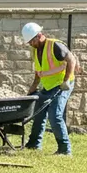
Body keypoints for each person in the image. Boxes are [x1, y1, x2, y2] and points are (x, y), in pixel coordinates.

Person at [21, 22, 77, 156]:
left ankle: (65, 150)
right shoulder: (35, 50)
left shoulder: (55, 45)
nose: (30, 44)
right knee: (38, 113)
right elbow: (39, 72)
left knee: (55, 115)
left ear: (39, 36)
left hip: (62, 85)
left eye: (31, 41)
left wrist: (65, 81)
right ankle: (34, 144)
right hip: (47, 86)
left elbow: (71, 60)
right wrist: (32, 89)